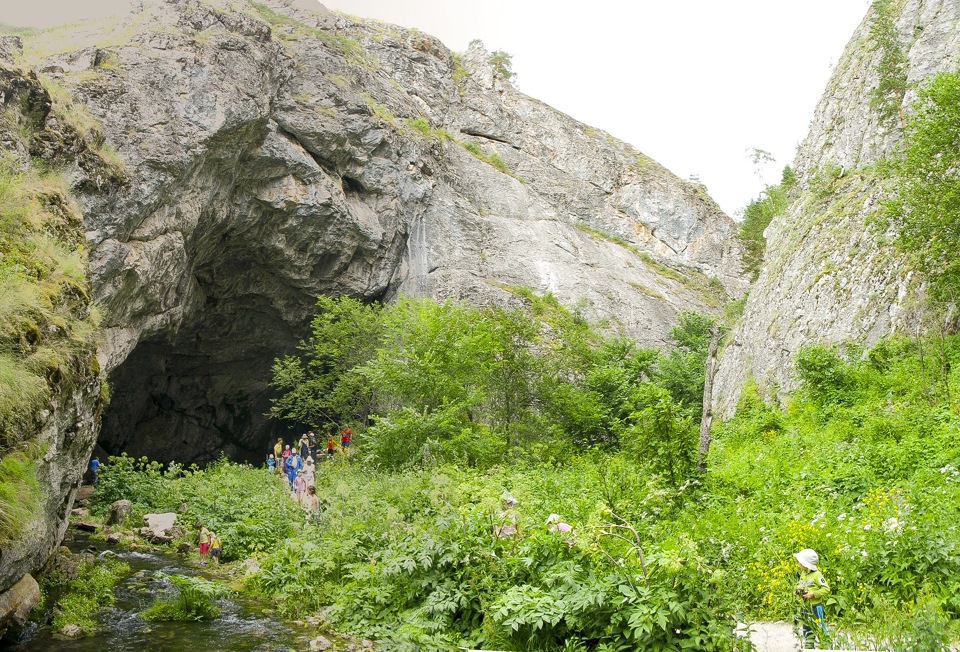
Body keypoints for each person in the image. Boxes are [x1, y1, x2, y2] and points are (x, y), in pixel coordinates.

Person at [794, 548, 829, 648]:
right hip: (805, 607)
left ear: (806, 564)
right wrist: (799, 589)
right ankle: (809, 647)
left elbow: (826, 589)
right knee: (806, 628)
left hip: (815, 607)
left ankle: (826, 646)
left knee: (820, 628)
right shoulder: (803, 573)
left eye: (800, 562)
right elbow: (801, 584)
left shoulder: (817, 575)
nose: (798, 564)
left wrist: (813, 594)